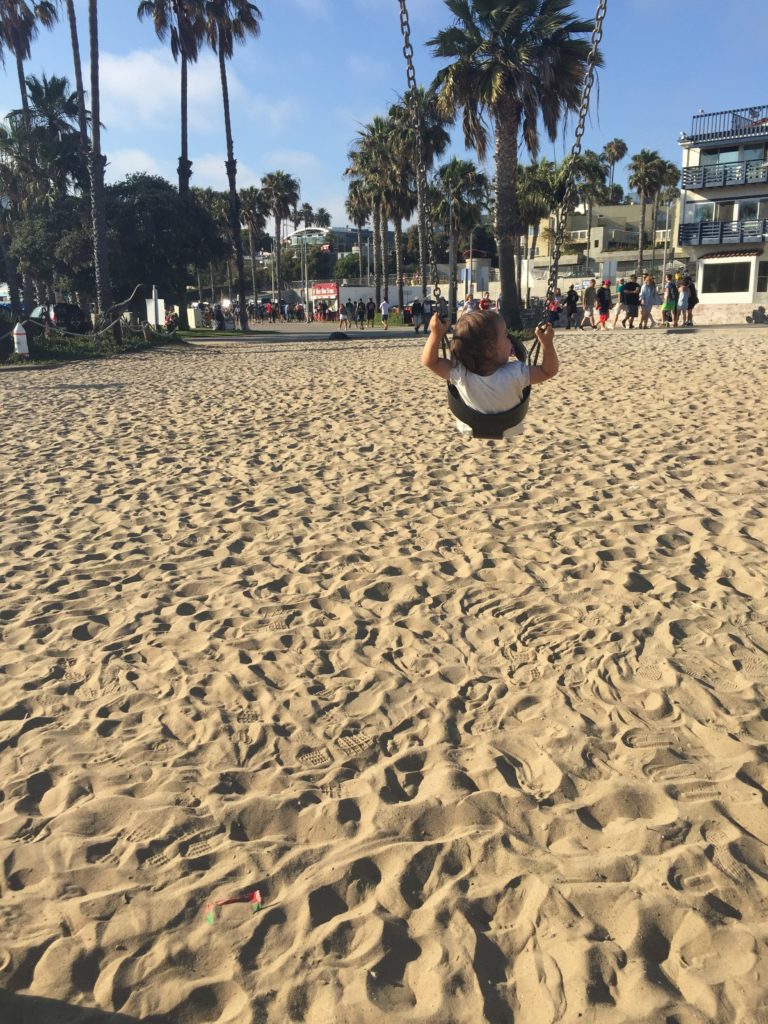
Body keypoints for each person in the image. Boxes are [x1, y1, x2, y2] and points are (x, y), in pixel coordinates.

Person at [420, 309, 559, 441]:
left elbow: (430, 361)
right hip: (510, 427)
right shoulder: (517, 373)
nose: (510, 339)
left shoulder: (460, 373)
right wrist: (547, 345)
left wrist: (436, 334)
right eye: (505, 335)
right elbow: (548, 371)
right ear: (489, 349)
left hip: (468, 426)